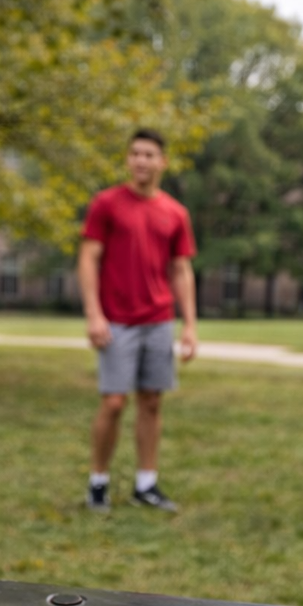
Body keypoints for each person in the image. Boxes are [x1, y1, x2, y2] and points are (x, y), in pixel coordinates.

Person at [78, 128, 198, 515]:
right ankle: (98, 482)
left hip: (159, 320)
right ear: (128, 159)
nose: (141, 161)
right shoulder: (107, 204)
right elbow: (88, 259)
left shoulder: (175, 212)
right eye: (135, 154)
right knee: (114, 402)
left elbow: (181, 269)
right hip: (117, 321)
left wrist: (190, 325)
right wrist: (95, 314)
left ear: (162, 162)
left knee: (151, 402)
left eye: (149, 154)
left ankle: (146, 484)